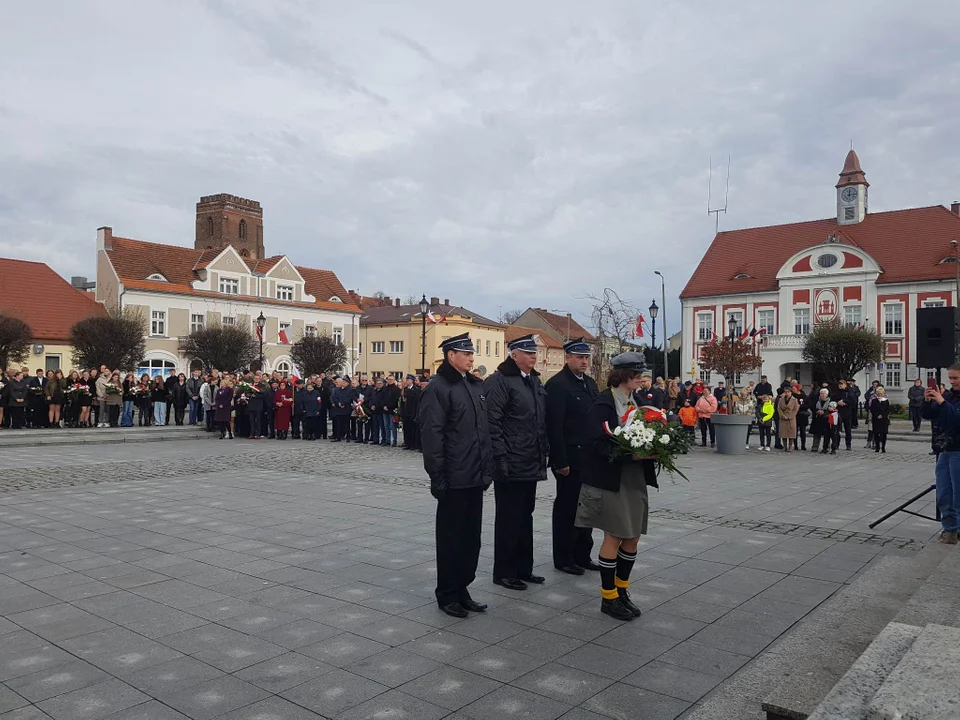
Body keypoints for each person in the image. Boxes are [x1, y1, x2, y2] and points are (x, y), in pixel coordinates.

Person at [576, 351, 656, 621]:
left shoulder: (639, 400)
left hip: (634, 477)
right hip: (611, 477)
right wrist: (629, 454)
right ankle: (608, 597)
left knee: (633, 536)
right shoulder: (603, 404)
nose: (641, 378)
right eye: (637, 374)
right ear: (623, 375)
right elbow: (596, 444)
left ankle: (622, 591)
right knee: (614, 535)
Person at [418, 333, 493, 617]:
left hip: (475, 475)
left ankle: (463, 588)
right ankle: (447, 594)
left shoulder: (474, 385)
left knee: (471, 539)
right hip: (453, 477)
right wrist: (437, 476)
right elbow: (432, 436)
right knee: (451, 539)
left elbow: (482, 432)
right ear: (451, 356)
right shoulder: (439, 388)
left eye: (472, 353)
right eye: (466, 353)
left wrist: (487, 469)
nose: (472, 357)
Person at [485, 333, 548, 592]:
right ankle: (505, 571)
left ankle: (524, 567)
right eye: (528, 353)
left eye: (535, 353)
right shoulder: (500, 381)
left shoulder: (533, 381)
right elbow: (493, 423)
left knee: (525, 516)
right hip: (510, 461)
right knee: (509, 518)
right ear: (514, 355)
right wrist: (500, 458)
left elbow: (539, 421)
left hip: (530, 459)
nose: (534, 357)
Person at [544, 338, 599, 576]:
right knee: (567, 508)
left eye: (586, 357)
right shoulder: (558, 385)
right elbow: (554, 426)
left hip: (589, 458)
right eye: (579, 357)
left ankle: (582, 555)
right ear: (567, 358)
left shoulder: (589, 383)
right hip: (570, 458)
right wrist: (560, 460)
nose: (584, 361)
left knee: (586, 507)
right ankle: (564, 557)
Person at [922, 369, 960, 543]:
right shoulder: (950, 396)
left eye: (955, 378)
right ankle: (949, 530)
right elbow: (930, 415)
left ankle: (957, 530)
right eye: (950, 378)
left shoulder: (948, 400)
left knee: (958, 494)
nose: (952, 381)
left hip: (959, 450)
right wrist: (928, 401)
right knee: (944, 493)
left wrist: (942, 402)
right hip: (946, 449)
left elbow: (956, 417)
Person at [831, 380, 854, 451]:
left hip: (847, 413)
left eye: (841, 384)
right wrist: (838, 403)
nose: (840, 385)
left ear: (845, 385)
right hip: (838, 413)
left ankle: (848, 445)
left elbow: (853, 401)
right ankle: (836, 444)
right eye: (839, 384)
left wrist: (845, 403)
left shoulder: (849, 392)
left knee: (848, 430)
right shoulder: (836, 392)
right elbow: (832, 400)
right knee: (837, 430)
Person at [379, 376, 401, 446]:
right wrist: (383, 406)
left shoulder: (397, 389)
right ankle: (387, 440)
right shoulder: (384, 389)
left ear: (394, 380)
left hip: (392, 410)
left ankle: (394, 440)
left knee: (393, 426)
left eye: (391, 379)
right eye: (389, 379)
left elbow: (396, 400)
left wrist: (388, 406)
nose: (390, 381)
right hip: (385, 410)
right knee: (386, 426)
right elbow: (381, 398)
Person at [776, 387, 799, 452]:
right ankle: (785, 446)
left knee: (791, 433)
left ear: (791, 392)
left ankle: (790, 446)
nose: (787, 393)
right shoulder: (781, 399)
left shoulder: (794, 400)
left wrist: (789, 416)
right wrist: (782, 415)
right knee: (784, 433)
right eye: (785, 392)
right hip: (783, 418)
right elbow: (779, 408)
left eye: (788, 392)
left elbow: (795, 409)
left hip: (791, 418)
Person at [869, 385, 890, 453]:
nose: (880, 395)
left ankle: (883, 447)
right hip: (876, 419)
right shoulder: (874, 400)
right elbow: (872, 409)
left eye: (881, 394)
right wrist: (877, 415)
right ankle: (877, 447)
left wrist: (882, 415)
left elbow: (887, 410)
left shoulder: (886, 401)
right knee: (876, 433)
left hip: (884, 420)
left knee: (883, 434)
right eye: (878, 393)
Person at [863, 380, 880, 448]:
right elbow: (866, 395)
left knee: (877, 429)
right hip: (871, 411)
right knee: (870, 428)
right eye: (874, 384)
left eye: (876, 384)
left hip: (877, 413)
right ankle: (869, 442)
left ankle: (875, 443)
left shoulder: (880, 393)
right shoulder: (870, 390)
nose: (874, 385)